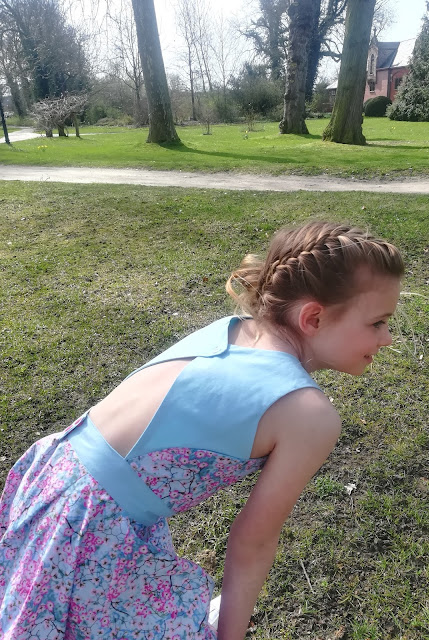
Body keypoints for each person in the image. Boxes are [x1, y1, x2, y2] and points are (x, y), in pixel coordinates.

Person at [0, 220, 404, 640]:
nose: (388, 338)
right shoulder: (309, 415)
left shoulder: (233, 328)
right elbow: (252, 544)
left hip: (54, 473)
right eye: (378, 322)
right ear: (313, 317)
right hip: (91, 528)